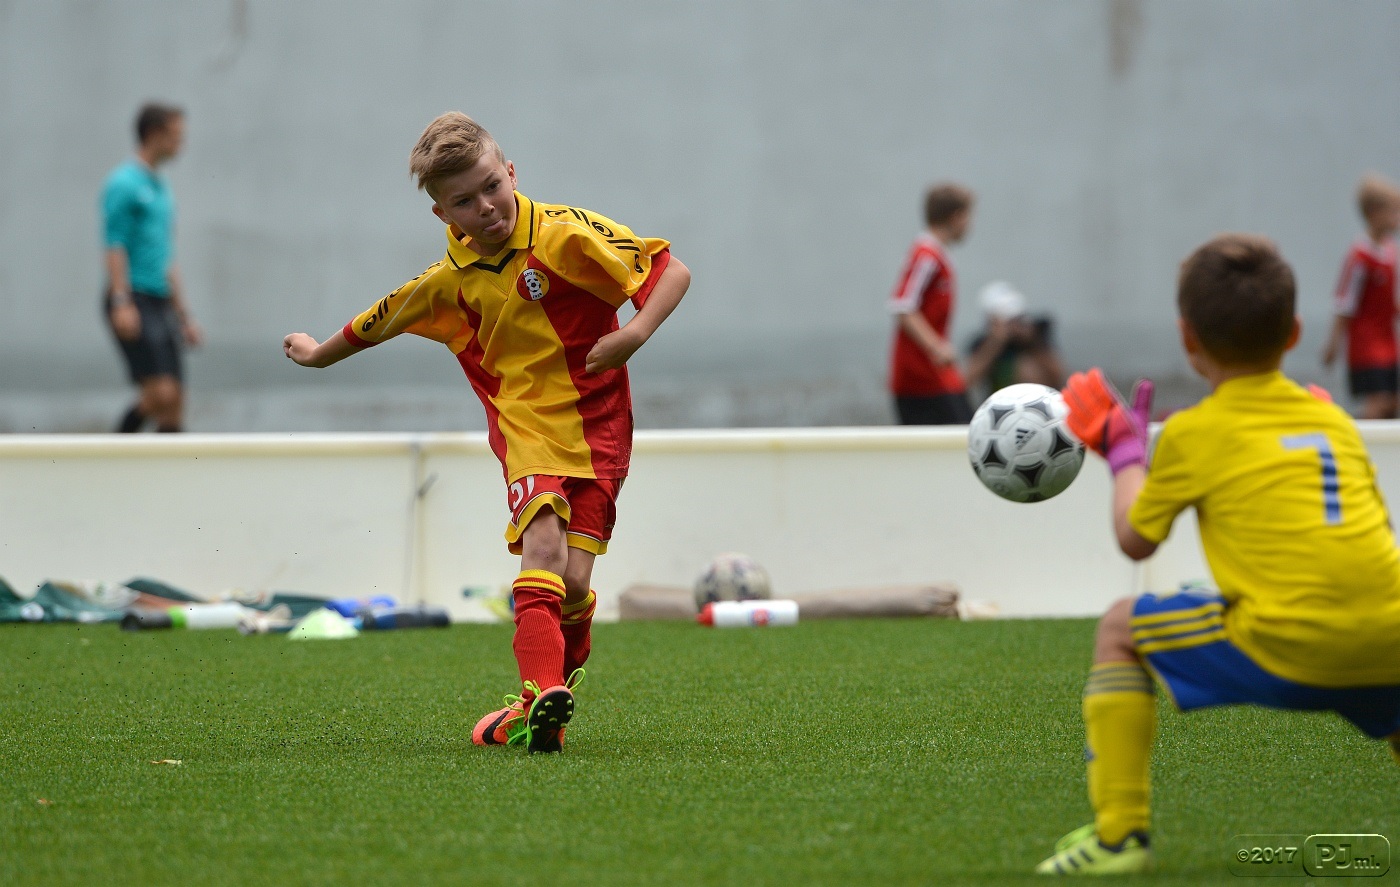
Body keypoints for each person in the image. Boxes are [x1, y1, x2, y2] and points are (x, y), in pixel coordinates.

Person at [282, 113, 689, 754]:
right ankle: (540, 695)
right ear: (442, 214)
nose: (486, 207)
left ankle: (545, 703)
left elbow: (670, 270)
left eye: (491, 186)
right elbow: (374, 322)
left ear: (511, 173)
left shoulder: (565, 234)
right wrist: (315, 354)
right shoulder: (446, 282)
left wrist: (634, 333)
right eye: (464, 202)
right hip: (524, 429)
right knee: (543, 548)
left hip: (600, 429)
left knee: (574, 587)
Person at [1037, 234, 1400, 875]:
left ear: (1188, 338)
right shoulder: (1333, 421)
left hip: (1288, 643)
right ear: (1294, 332)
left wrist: (1124, 450)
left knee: (1120, 627)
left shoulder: (1194, 434)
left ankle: (1119, 837)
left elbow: (1135, 538)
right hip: (1391, 632)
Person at [101, 102, 203, 433]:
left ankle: (174, 467)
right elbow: (114, 245)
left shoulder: (162, 189)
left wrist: (184, 316)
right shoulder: (123, 183)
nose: (181, 144)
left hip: (160, 301)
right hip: (134, 298)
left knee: (175, 402)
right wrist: (121, 300)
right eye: (176, 136)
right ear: (155, 134)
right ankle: (114, 452)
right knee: (161, 393)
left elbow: (166, 257)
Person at [887, 183, 975, 425]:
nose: (969, 225)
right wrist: (936, 347)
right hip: (920, 378)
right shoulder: (926, 255)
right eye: (968, 217)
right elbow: (902, 305)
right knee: (961, 435)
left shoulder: (937, 254)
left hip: (936, 376)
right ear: (956, 217)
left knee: (966, 430)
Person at [1321, 174, 1400, 419]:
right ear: (1373, 213)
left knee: (1393, 402)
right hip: (1367, 345)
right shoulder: (1359, 257)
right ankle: (1358, 434)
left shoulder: (1390, 253)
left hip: (1389, 342)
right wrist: (1333, 344)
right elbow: (1344, 303)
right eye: (1393, 211)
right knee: (1378, 401)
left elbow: (1390, 300)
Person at [963, 281, 1067, 402]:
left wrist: (1032, 342)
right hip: (1001, 403)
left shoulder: (1037, 337)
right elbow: (968, 380)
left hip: (1039, 401)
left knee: (1027, 366)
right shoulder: (983, 344)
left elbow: (1060, 375)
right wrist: (996, 342)